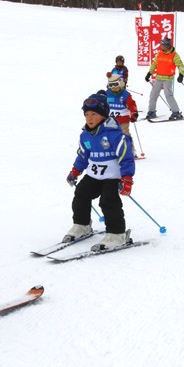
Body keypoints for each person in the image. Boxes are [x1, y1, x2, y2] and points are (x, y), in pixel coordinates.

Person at [64, 92, 135, 251]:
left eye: (94, 114)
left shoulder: (114, 134)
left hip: (112, 176)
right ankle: (82, 225)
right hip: (94, 175)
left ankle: (117, 234)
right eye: (86, 114)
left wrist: (127, 179)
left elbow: (126, 157)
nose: (89, 118)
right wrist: (75, 171)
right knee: (81, 193)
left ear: (103, 115)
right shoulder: (85, 135)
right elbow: (83, 156)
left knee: (108, 201)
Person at [144, 37, 184, 120]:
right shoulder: (159, 53)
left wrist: (181, 75)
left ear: (167, 46)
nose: (161, 47)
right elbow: (154, 64)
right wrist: (149, 73)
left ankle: (176, 112)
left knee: (168, 95)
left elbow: (180, 65)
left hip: (168, 78)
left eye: (162, 45)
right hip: (158, 77)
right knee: (153, 95)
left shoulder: (174, 55)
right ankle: (151, 112)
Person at [106, 72, 138, 152]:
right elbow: (102, 104)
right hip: (110, 121)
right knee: (109, 136)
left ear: (120, 83)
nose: (114, 87)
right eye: (111, 85)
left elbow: (132, 104)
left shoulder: (125, 95)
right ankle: (111, 151)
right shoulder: (107, 94)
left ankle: (130, 151)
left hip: (123, 120)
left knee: (125, 135)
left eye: (116, 84)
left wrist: (134, 113)